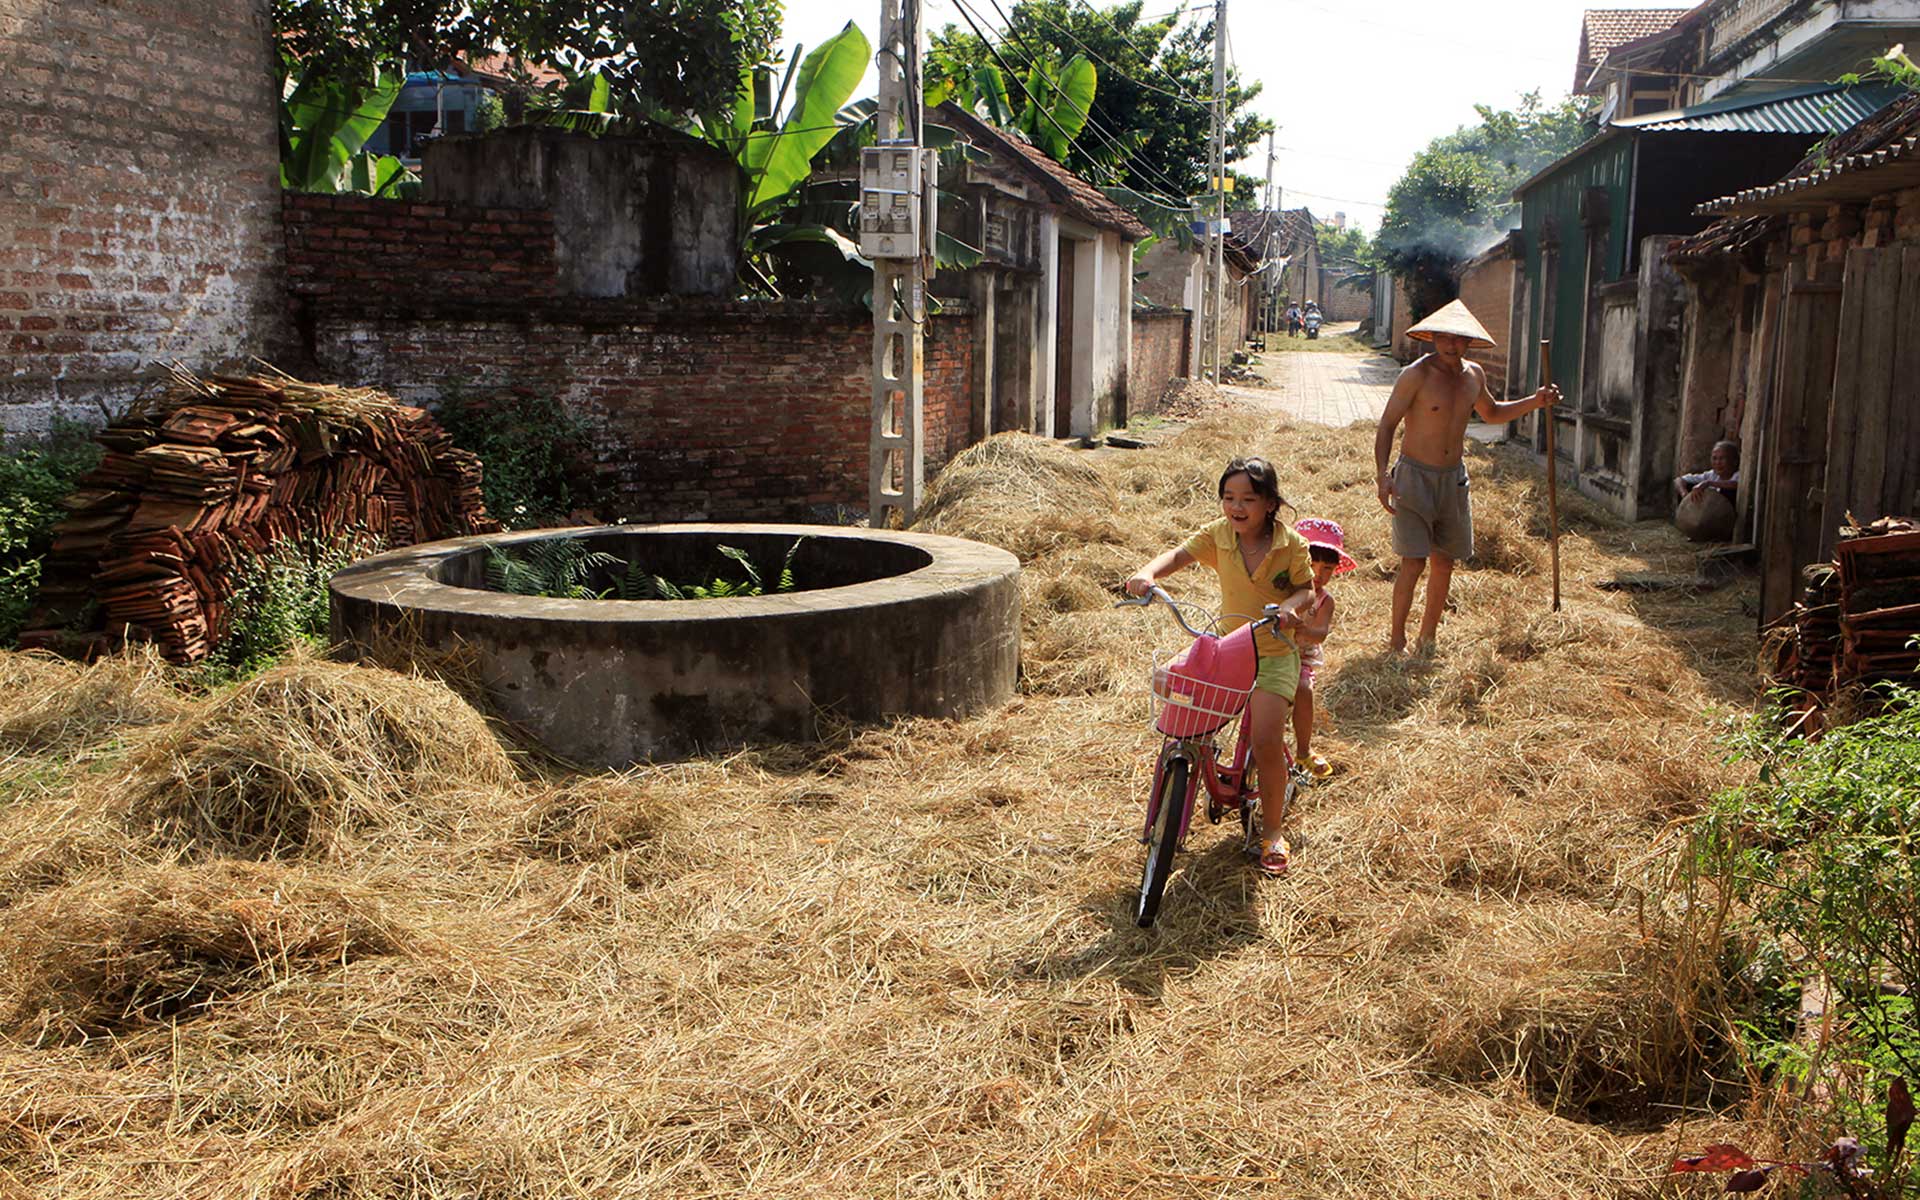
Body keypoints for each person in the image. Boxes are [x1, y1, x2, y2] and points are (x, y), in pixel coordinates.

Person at [1126, 457, 1316, 876]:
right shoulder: (1219, 535)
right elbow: (1177, 556)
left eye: (1248, 498)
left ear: (1270, 503)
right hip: (1229, 647)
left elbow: (1307, 591)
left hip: (1274, 652)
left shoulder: (1291, 545)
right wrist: (1147, 572)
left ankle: (1271, 832)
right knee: (1180, 697)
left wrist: (1289, 608)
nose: (1237, 506)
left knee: (1266, 740)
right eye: (1229, 497)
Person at [1375, 299, 1561, 653]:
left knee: (1444, 561)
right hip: (1413, 477)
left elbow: (1491, 413)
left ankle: (1427, 638)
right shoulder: (1416, 374)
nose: (1452, 345)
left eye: (1460, 339)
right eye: (1445, 337)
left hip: (1452, 479)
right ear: (1433, 337)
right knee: (1413, 562)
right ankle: (1396, 638)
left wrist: (1535, 401)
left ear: (1470, 343)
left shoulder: (1473, 374)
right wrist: (1382, 476)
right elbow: (1387, 425)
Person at [1289, 517, 1356, 781]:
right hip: (1269, 649)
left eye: (1327, 568)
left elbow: (1321, 633)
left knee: (1304, 690)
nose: (1318, 574)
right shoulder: (1283, 587)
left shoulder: (1325, 601)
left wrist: (1302, 630)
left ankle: (1303, 749)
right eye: (1311, 564)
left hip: (1300, 658)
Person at [1674, 440, 1740, 502]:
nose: (1717, 462)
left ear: (1735, 461)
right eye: (1714, 458)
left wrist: (1708, 483)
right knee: (1688, 486)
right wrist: (1684, 494)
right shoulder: (1711, 474)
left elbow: (1737, 485)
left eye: (1722, 458)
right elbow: (1678, 480)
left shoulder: (1738, 475)